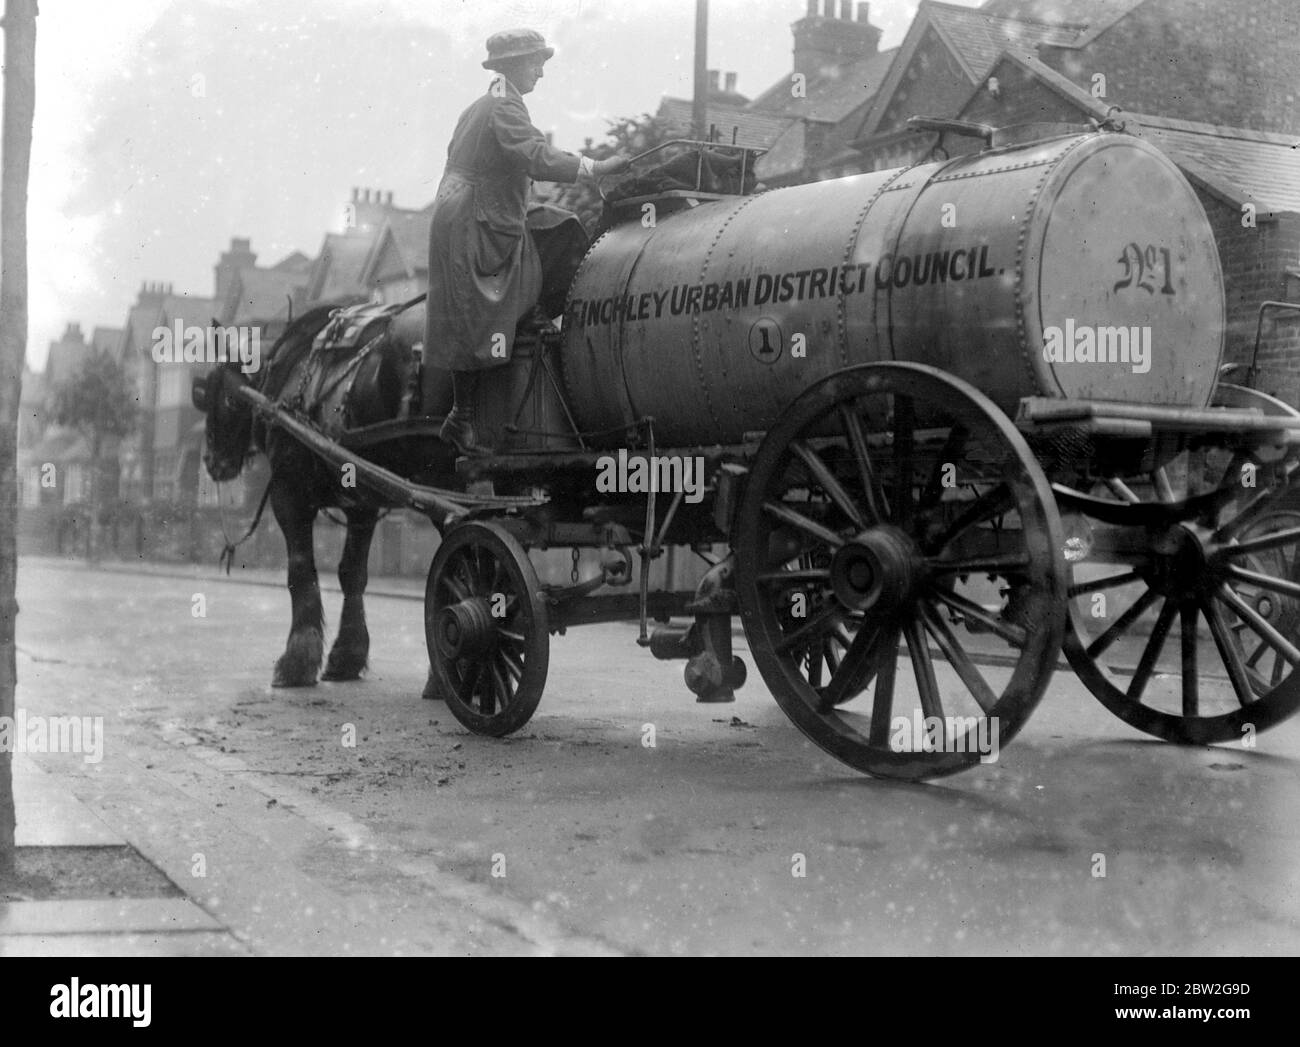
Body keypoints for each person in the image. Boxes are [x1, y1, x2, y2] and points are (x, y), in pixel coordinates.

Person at [425, 28, 629, 454]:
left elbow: (513, 162)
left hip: (478, 208)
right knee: (478, 306)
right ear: (513, 65)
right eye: (535, 62)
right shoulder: (503, 106)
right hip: (476, 215)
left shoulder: (488, 104)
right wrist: (597, 166)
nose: (540, 71)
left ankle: (469, 405)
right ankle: (464, 414)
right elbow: (534, 156)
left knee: (559, 229)